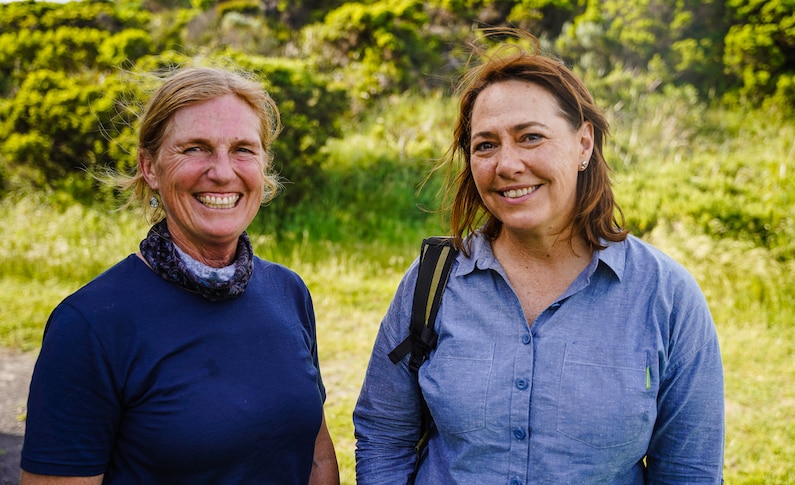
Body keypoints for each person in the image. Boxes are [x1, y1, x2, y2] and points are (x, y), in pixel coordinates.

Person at [354, 29, 724, 484]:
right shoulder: (432, 282)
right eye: (485, 144)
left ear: (583, 144)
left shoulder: (666, 296)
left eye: (530, 137)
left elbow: (688, 469)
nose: (506, 164)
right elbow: (383, 433)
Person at [20, 65, 339, 484]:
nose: (223, 172)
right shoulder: (90, 325)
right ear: (150, 167)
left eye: (243, 149)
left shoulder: (288, 292)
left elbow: (317, 461)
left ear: (263, 165)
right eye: (195, 149)